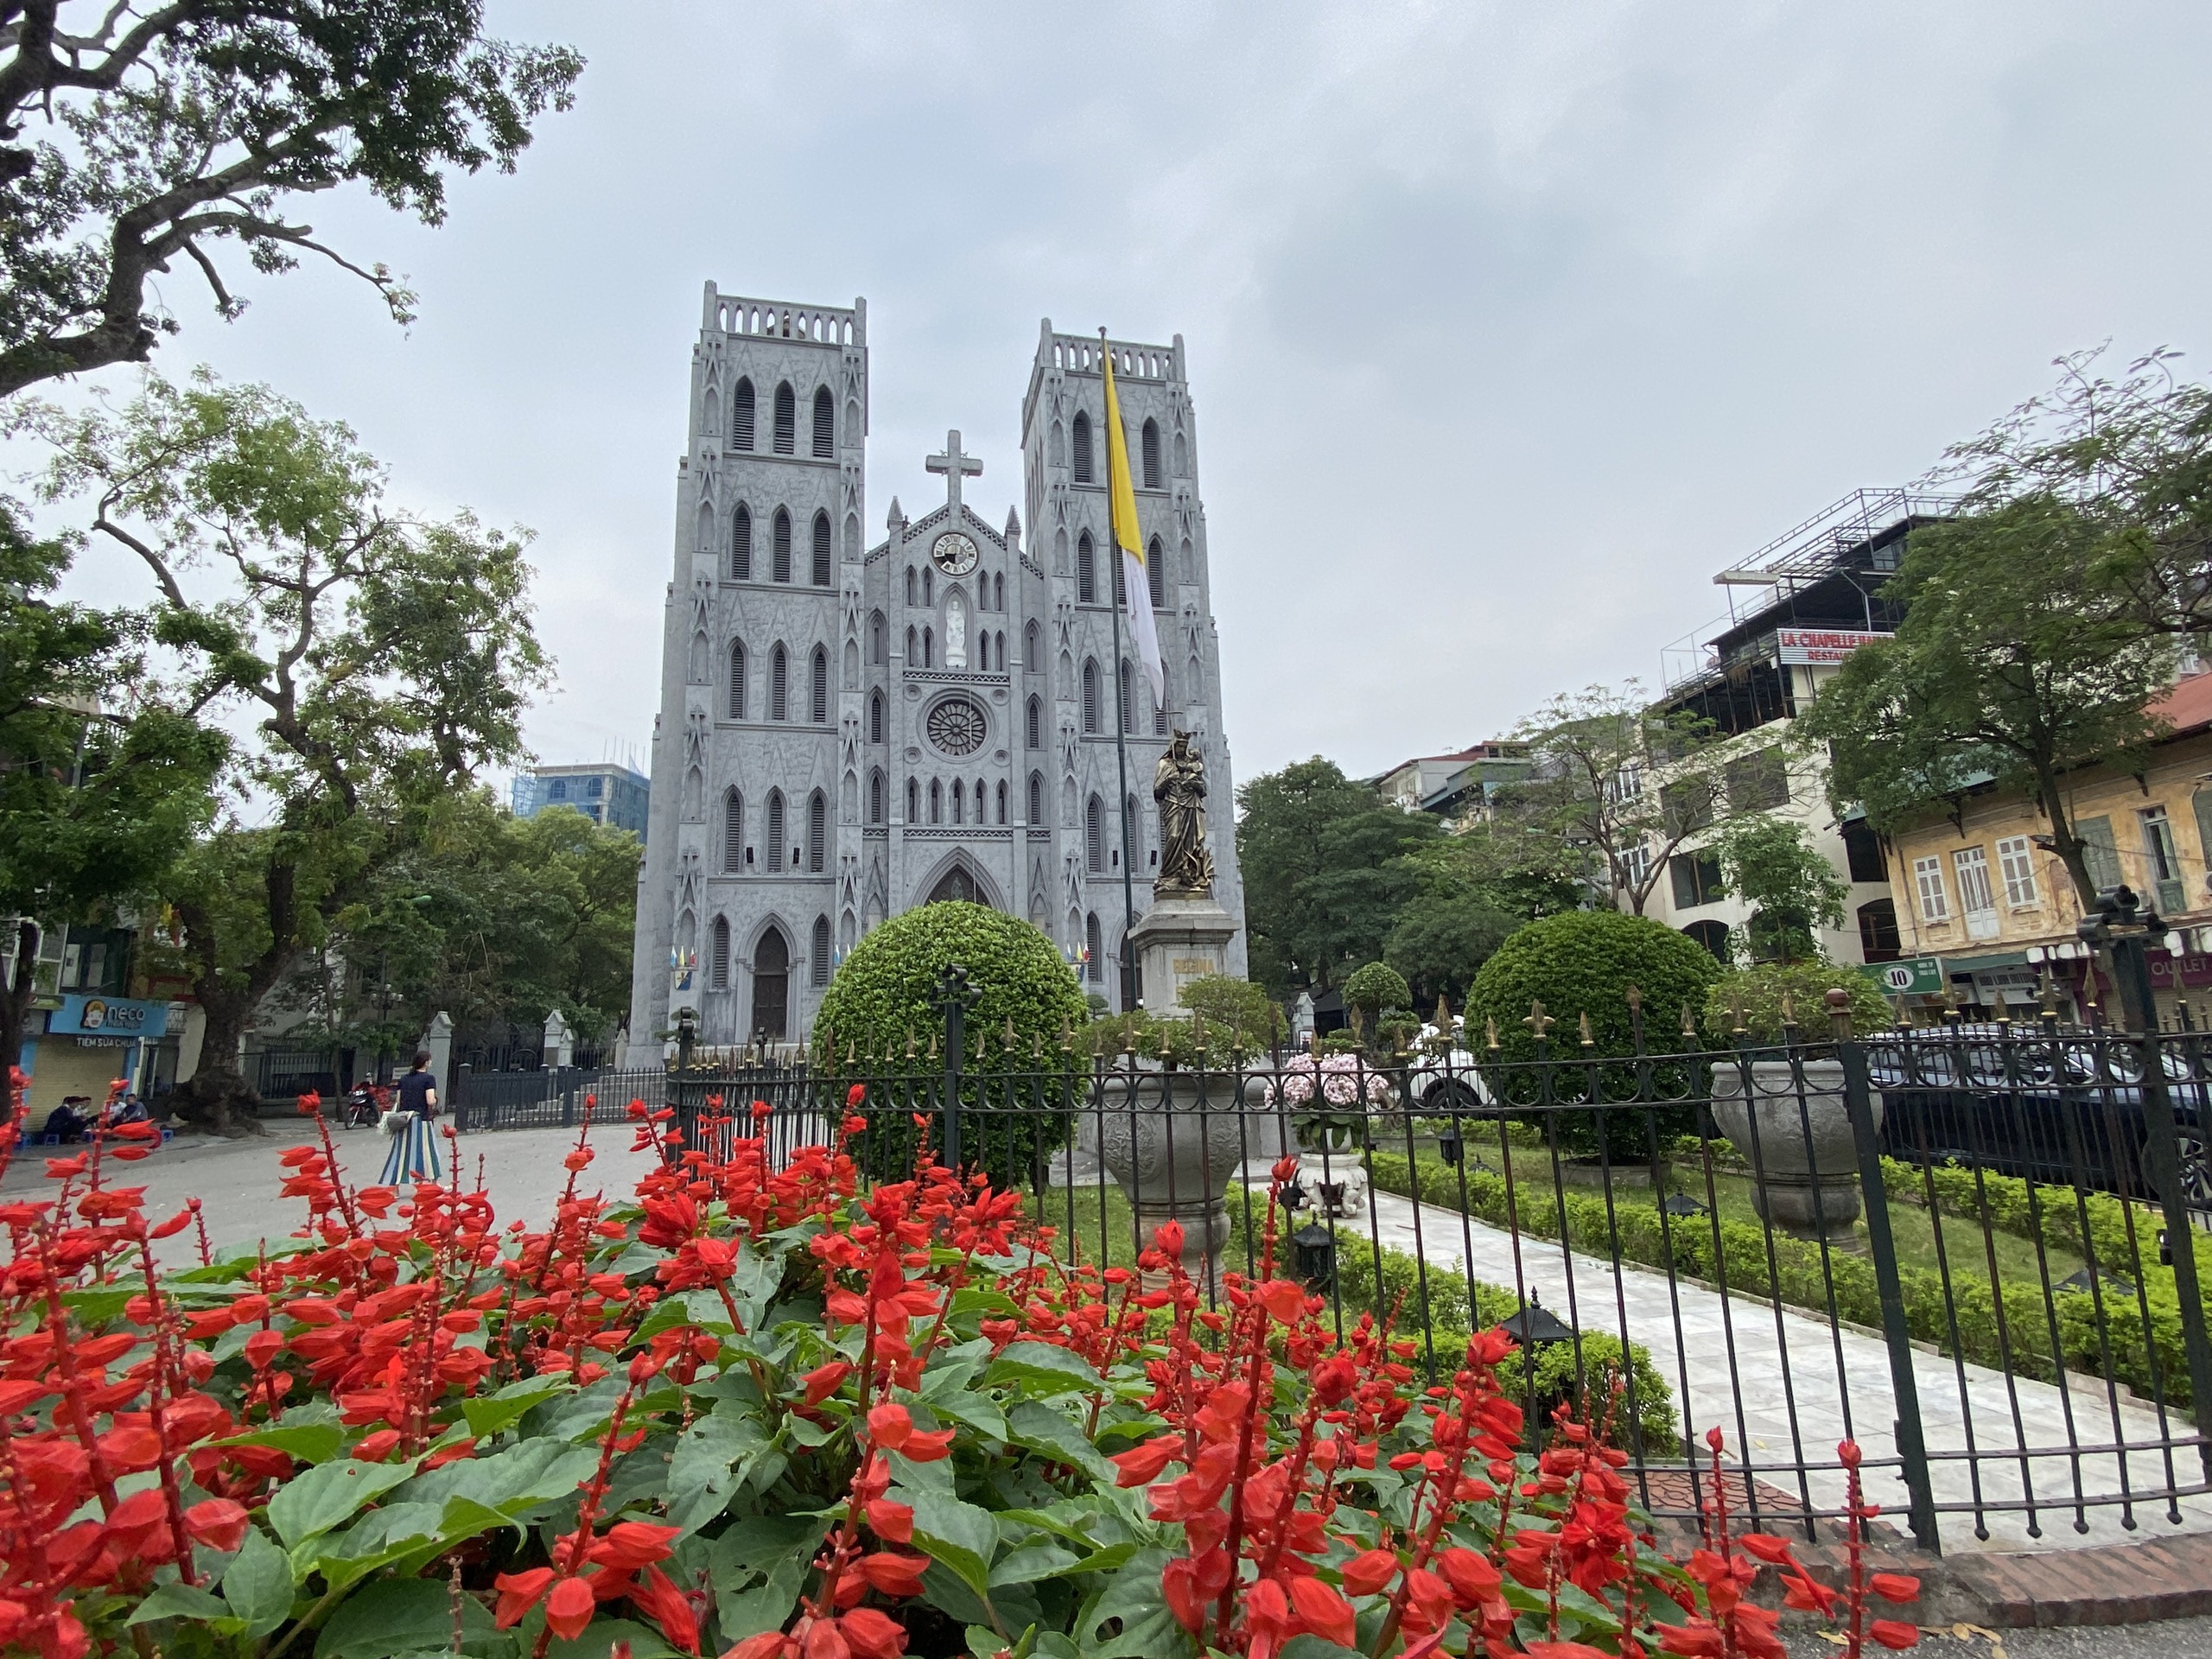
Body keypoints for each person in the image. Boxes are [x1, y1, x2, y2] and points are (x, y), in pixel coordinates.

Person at [378, 1051, 444, 1185]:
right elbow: (430, 1101)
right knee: (428, 1151)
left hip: (403, 1120)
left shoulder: (404, 1079)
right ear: (426, 1062)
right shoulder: (428, 1079)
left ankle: (394, 1186)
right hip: (421, 1120)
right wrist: (436, 1101)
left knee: (400, 1153)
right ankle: (433, 1184)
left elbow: (399, 1100)